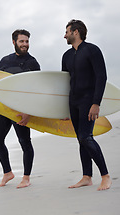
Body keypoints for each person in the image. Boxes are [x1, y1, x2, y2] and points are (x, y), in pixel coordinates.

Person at [62, 19, 111, 191]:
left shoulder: (92, 50)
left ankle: (105, 176)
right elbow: (63, 83)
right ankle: (86, 177)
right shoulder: (66, 56)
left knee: (86, 137)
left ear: (76, 32)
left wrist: (96, 103)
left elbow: (101, 77)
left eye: (67, 31)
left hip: (88, 101)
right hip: (73, 102)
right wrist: (62, 109)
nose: (64, 35)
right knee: (81, 139)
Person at [0, 29, 40, 188]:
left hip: (22, 109)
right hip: (5, 108)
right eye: (22, 41)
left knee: (25, 142)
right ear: (14, 42)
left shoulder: (32, 63)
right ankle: (8, 173)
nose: (25, 44)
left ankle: (26, 177)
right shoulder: (4, 61)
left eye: (27, 41)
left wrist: (28, 112)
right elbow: (0, 85)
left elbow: (37, 91)